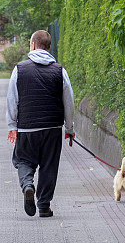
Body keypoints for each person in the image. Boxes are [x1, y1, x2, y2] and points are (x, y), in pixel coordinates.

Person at [6, 30, 74, 217]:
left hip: (27, 127)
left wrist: (12, 126)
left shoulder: (19, 69)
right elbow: (68, 101)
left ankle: (28, 185)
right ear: (49, 47)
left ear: (33, 45)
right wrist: (69, 129)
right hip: (52, 128)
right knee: (49, 166)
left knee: (23, 160)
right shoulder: (60, 70)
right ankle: (44, 206)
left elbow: (12, 99)